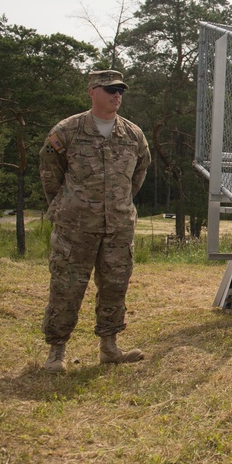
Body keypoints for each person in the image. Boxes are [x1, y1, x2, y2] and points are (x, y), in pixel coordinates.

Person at [39, 70, 151, 373]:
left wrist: (118, 203)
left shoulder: (132, 135)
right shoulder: (67, 131)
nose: (117, 95)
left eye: (120, 91)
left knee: (115, 286)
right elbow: (50, 172)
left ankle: (109, 347)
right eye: (110, 89)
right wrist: (66, 205)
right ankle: (56, 351)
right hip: (75, 227)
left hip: (117, 227)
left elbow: (137, 175)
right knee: (66, 287)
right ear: (92, 91)